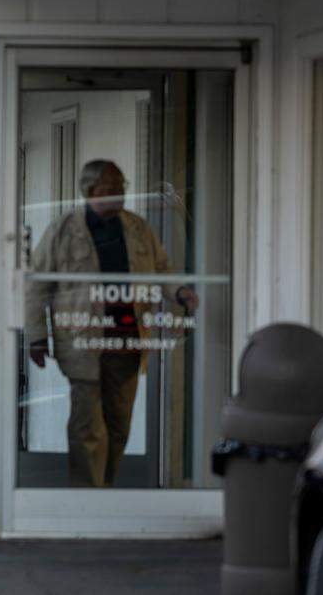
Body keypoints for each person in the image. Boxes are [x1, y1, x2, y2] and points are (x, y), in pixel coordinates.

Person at [26, 160, 197, 487]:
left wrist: (181, 293)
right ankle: (87, 495)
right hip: (82, 341)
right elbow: (37, 285)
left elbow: (161, 270)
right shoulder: (64, 230)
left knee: (118, 425)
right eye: (111, 188)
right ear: (90, 191)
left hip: (127, 341)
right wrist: (37, 336)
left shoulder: (137, 228)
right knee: (88, 425)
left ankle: (105, 487)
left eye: (122, 187)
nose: (119, 194)